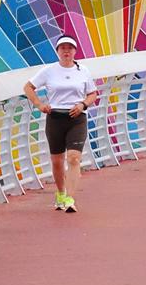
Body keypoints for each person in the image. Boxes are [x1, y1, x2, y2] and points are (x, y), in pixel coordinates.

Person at [24, 35, 98, 213]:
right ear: (57, 51)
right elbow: (28, 87)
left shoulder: (83, 71)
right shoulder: (49, 71)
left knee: (73, 158)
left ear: (75, 51)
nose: (66, 51)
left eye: (70, 48)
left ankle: (70, 199)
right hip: (55, 117)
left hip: (77, 118)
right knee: (57, 161)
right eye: (63, 48)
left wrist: (82, 105)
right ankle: (61, 193)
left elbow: (93, 93)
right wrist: (40, 104)